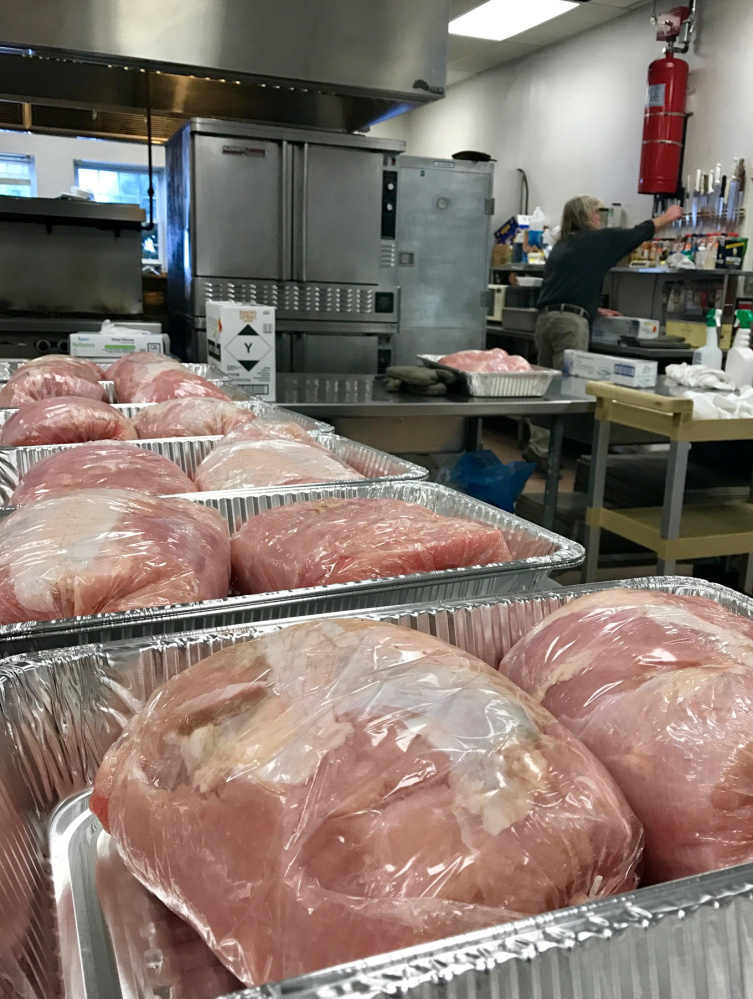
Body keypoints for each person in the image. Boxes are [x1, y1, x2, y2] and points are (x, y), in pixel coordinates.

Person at [523, 196, 683, 466]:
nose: (599, 218)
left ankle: (538, 448)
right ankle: (555, 456)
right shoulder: (595, 241)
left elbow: (568, 284)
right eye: (597, 213)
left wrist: (595, 310)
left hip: (546, 320)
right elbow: (636, 233)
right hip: (570, 325)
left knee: (545, 389)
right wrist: (666, 218)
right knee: (566, 390)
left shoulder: (563, 246)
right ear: (586, 216)